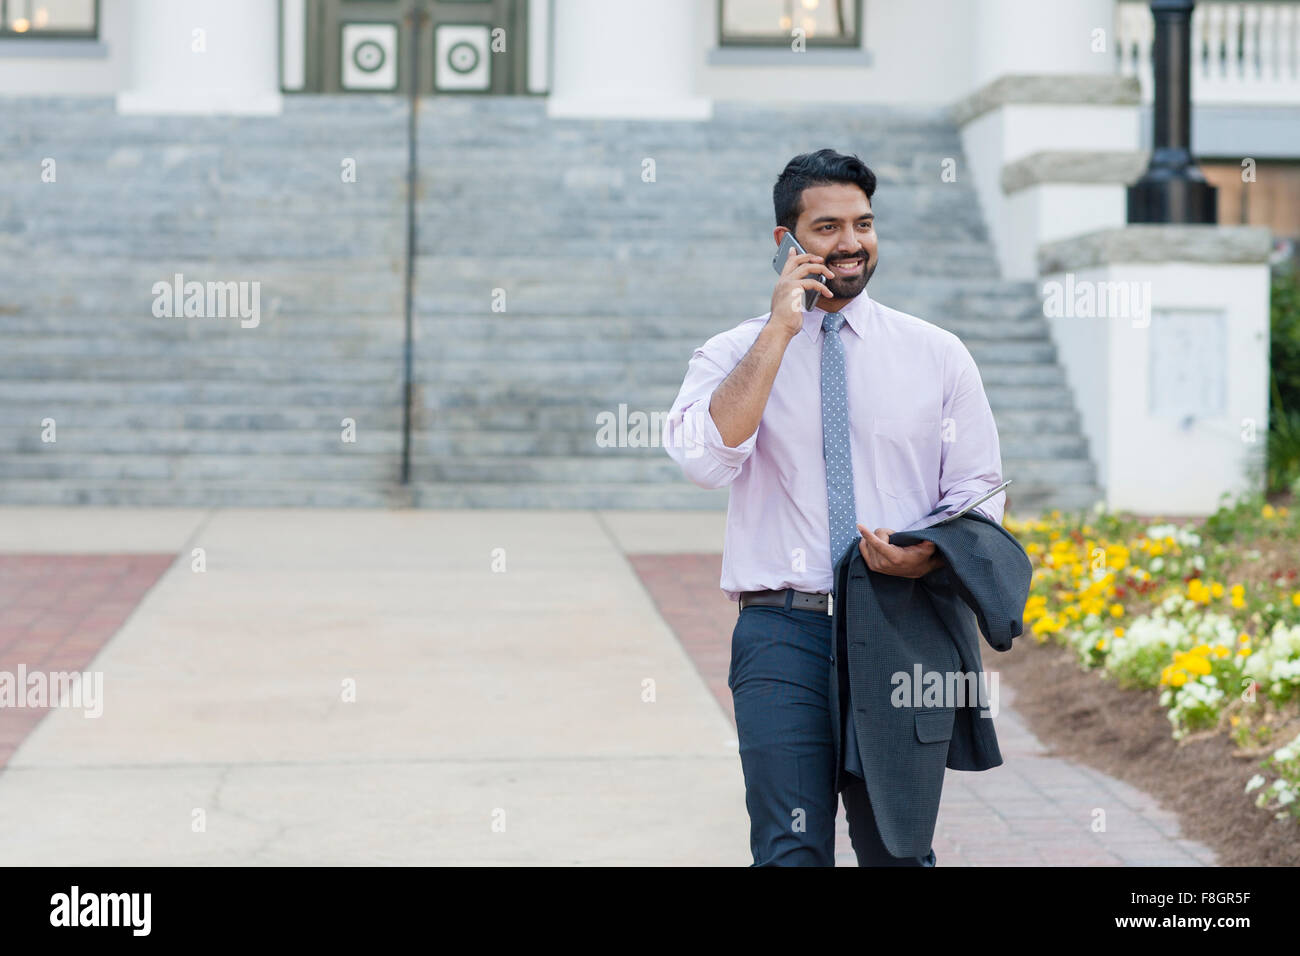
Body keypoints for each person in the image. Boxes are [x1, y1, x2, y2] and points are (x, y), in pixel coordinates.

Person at [662, 148, 1005, 866]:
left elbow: (979, 494)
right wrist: (778, 332)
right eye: (827, 227)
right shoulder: (733, 353)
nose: (850, 243)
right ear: (784, 243)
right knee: (790, 850)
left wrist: (930, 553)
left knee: (898, 853)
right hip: (784, 633)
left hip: (900, 627)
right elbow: (702, 459)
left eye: (864, 223)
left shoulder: (936, 354)